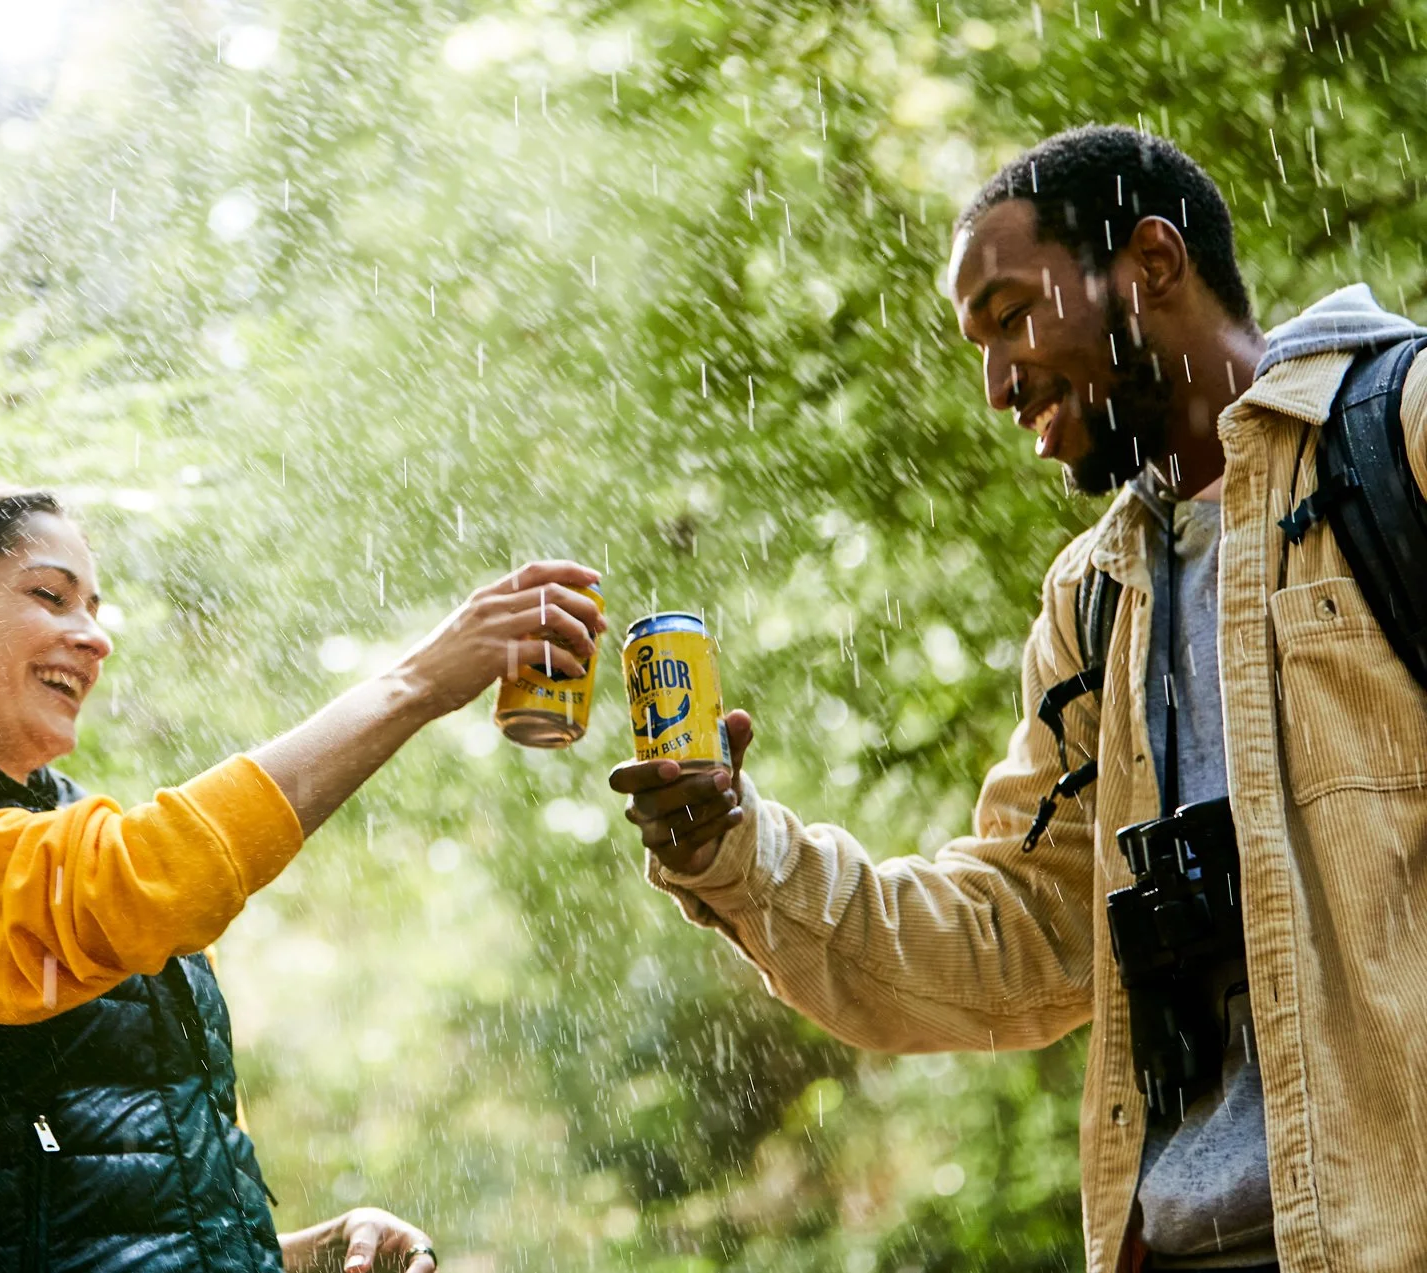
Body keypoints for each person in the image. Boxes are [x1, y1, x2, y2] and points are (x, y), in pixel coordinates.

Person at [609, 125, 1427, 1273]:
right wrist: (742, 856)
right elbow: (1019, 933)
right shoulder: (1094, 604)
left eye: (1007, 314)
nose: (995, 384)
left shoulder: (1399, 438)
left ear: (1148, 263)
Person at [0, 483, 603, 1270]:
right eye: (51, 596)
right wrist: (414, 685)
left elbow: (74, 1188)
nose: (92, 636)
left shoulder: (48, 834)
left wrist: (297, 1251)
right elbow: (133, 882)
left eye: (97, 611)